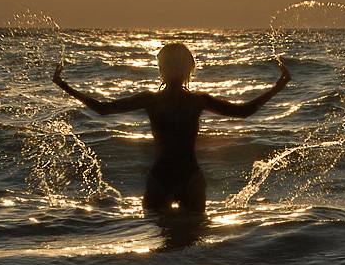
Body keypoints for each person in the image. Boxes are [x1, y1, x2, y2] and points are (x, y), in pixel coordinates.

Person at [53, 42, 291, 213]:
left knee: (159, 247)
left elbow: (102, 108)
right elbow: (243, 111)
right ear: (189, 68)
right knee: (192, 245)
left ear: (162, 68)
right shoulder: (197, 100)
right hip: (190, 175)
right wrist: (277, 87)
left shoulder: (151, 99)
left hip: (160, 176)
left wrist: (64, 85)